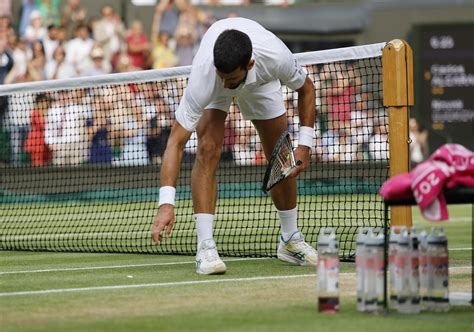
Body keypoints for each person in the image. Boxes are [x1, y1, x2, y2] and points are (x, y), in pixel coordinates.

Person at [151, 17, 317, 275]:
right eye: (223, 77)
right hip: (217, 78)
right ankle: (205, 248)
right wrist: (166, 203)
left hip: (261, 80)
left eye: (232, 80)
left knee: (280, 154)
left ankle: (290, 240)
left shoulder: (275, 56)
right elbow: (175, 142)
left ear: (249, 64)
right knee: (208, 149)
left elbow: (307, 89)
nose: (227, 84)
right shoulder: (207, 75)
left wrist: (305, 145)